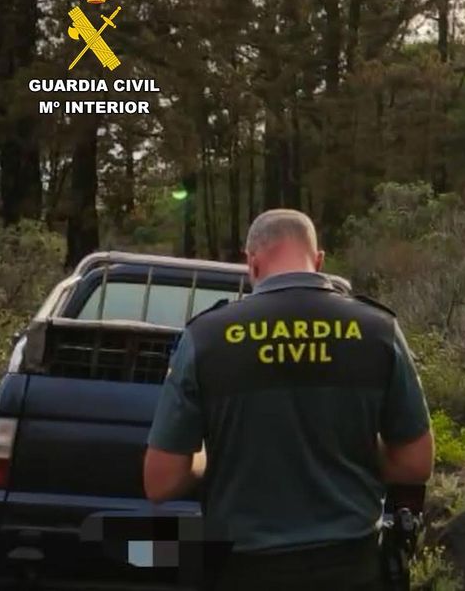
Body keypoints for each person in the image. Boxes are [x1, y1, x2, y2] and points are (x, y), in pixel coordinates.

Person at [143, 208, 434, 590]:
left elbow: (160, 482)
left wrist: (212, 456)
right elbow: (416, 465)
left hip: (245, 568)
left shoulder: (206, 337)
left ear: (253, 262)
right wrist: (354, 449)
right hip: (352, 566)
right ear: (319, 261)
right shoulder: (377, 329)